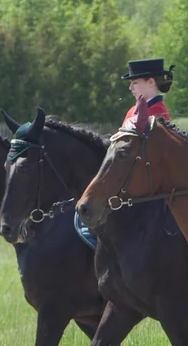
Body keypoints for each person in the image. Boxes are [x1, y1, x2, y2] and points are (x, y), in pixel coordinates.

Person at [75, 58, 175, 248]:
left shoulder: (158, 113)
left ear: (151, 82)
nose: (130, 88)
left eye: (135, 83)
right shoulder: (133, 110)